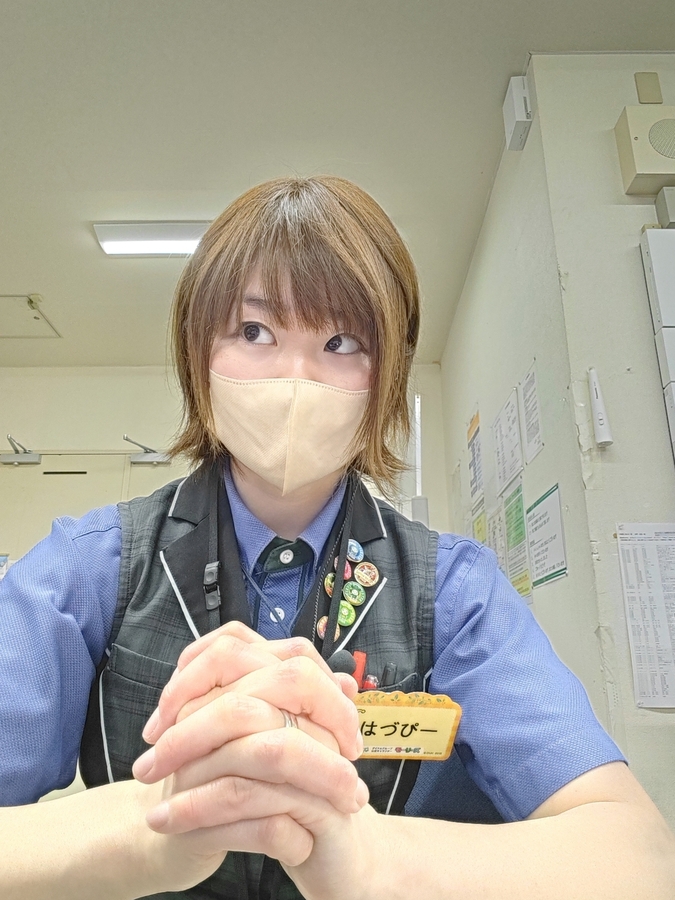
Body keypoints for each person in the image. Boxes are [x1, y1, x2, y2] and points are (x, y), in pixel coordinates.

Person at [0, 176, 673, 900]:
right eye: (253, 332)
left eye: (341, 341)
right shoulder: (86, 566)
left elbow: (637, 858)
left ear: (387, 375)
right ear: (198, 353)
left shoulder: (456, 593)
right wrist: (150, 826)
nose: (295, 378)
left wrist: (367, 854)